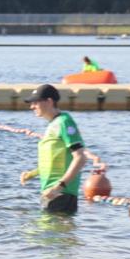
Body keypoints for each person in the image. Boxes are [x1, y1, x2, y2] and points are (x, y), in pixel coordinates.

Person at [19, 84, 86, 215]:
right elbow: (54, 161)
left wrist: (58, 187)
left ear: (49, 101)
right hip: (51, 193)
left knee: (50, 233)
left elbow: (80, 158)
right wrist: (31, 174)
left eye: (36, 102)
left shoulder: (64, 122)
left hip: (61, 195)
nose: (32, 106)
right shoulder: (53, 124)